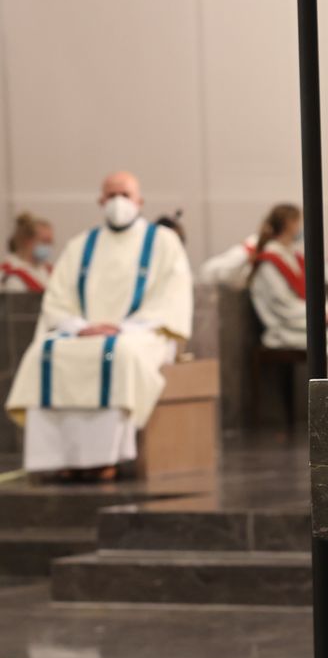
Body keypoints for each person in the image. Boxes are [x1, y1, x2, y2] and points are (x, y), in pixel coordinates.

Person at [5, 171, 193, 479]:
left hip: (141, 331)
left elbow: (171, 297)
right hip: (84, 332)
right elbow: (57, 298)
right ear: (100, 200)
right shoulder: (81, 245)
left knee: (121, 355)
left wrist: (124, 328)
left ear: (140, 201)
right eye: (111, 195)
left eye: (125, 195)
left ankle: (106, 458)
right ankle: (59, 458)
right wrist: (80, 327)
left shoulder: (163, 241)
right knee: (42, 353)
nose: (118, 201)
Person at [248, 204, 328, 380]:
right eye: (298, 222)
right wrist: (320, 314)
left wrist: (327, 310)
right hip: (285, 329)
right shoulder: (269, 262)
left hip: (302, 321)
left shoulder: (291, 256)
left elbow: (312, 293)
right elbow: (281, 303)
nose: (301, 227)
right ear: (288, 224)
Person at [1, 213, 54, 294]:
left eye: (50, 242)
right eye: (44, 242)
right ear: (28, 241)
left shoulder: (49, 271)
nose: (48, 247)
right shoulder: (8, 272)